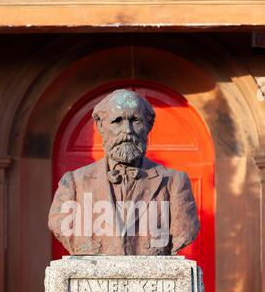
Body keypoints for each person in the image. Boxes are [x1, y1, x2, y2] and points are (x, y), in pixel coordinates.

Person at [48, 89, 199, 255]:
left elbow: (185, 231)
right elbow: (60, 225)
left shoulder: (174, 182)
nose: (127, 130)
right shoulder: (74, 184)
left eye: (136, 121)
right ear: (100, 125)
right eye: (117, 121)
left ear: (149, 126)